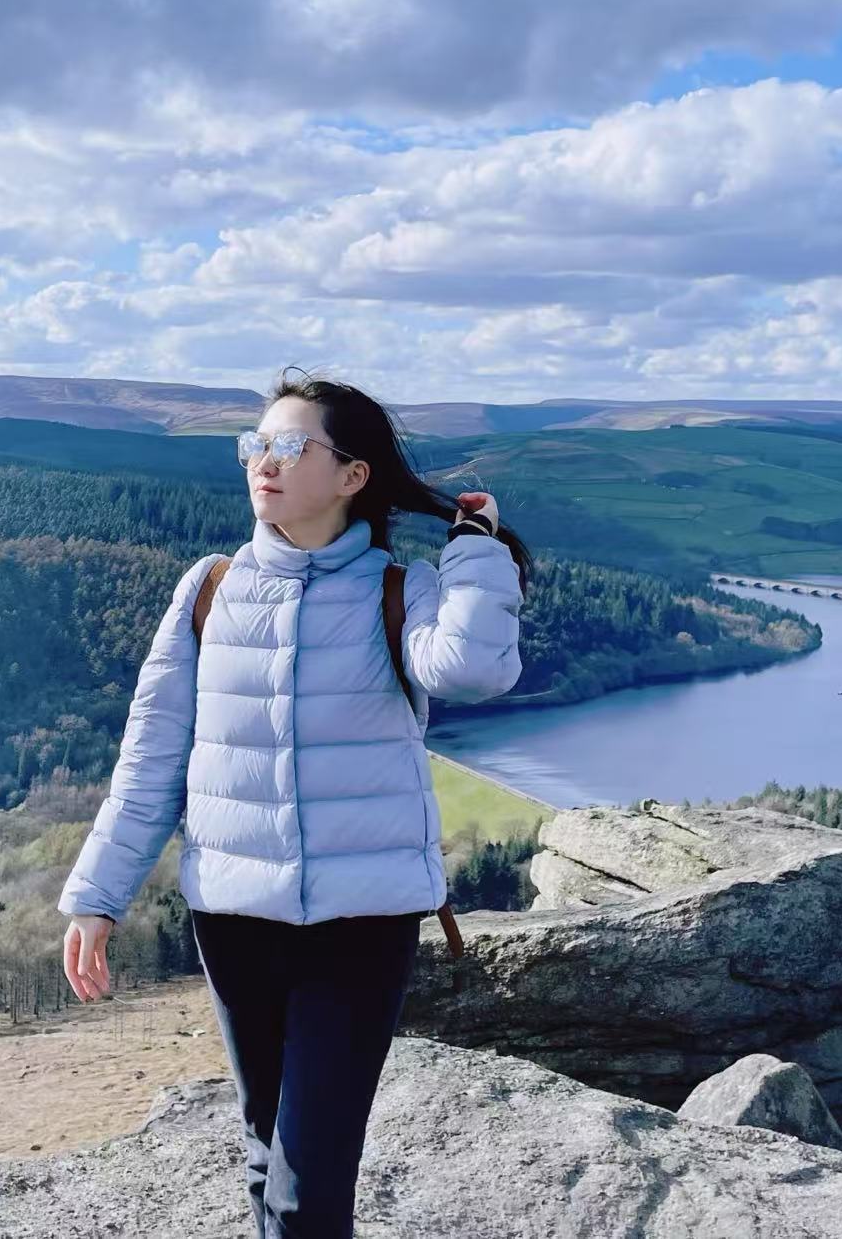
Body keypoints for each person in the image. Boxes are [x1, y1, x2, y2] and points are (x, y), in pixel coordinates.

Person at [58, 365, 532, 1238]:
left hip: (362, 925)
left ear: (353, 476)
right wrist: (97, 896)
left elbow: (470, 669)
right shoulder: (208, 590)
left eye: (287, 445)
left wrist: (474, 548)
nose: (261, 462)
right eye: (254, 443)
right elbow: (152, 758)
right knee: (265, 1149)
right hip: (234, 918)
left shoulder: (399, 588)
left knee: (309, 1183)